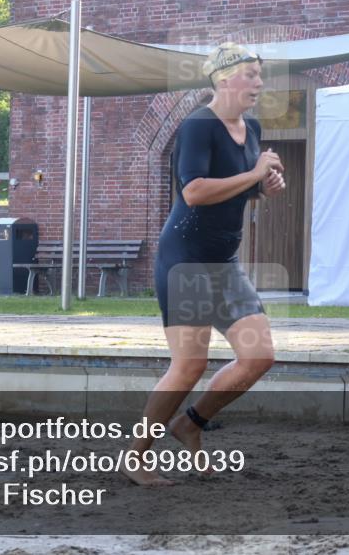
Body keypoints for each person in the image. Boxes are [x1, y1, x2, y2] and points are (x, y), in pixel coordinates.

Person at [122, 42, 286, 486]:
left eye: (260, 74)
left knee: (259, 356)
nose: (259, 82)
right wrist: (254, 175)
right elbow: (194, 191)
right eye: (251, 74)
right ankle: (136, 456)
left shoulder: (251, 127)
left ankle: (190, 423)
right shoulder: (198, 125)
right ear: (224, 79)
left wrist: (263, 187)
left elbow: (236, 186)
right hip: (187, 260)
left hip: (224, 262)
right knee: (189, 365)